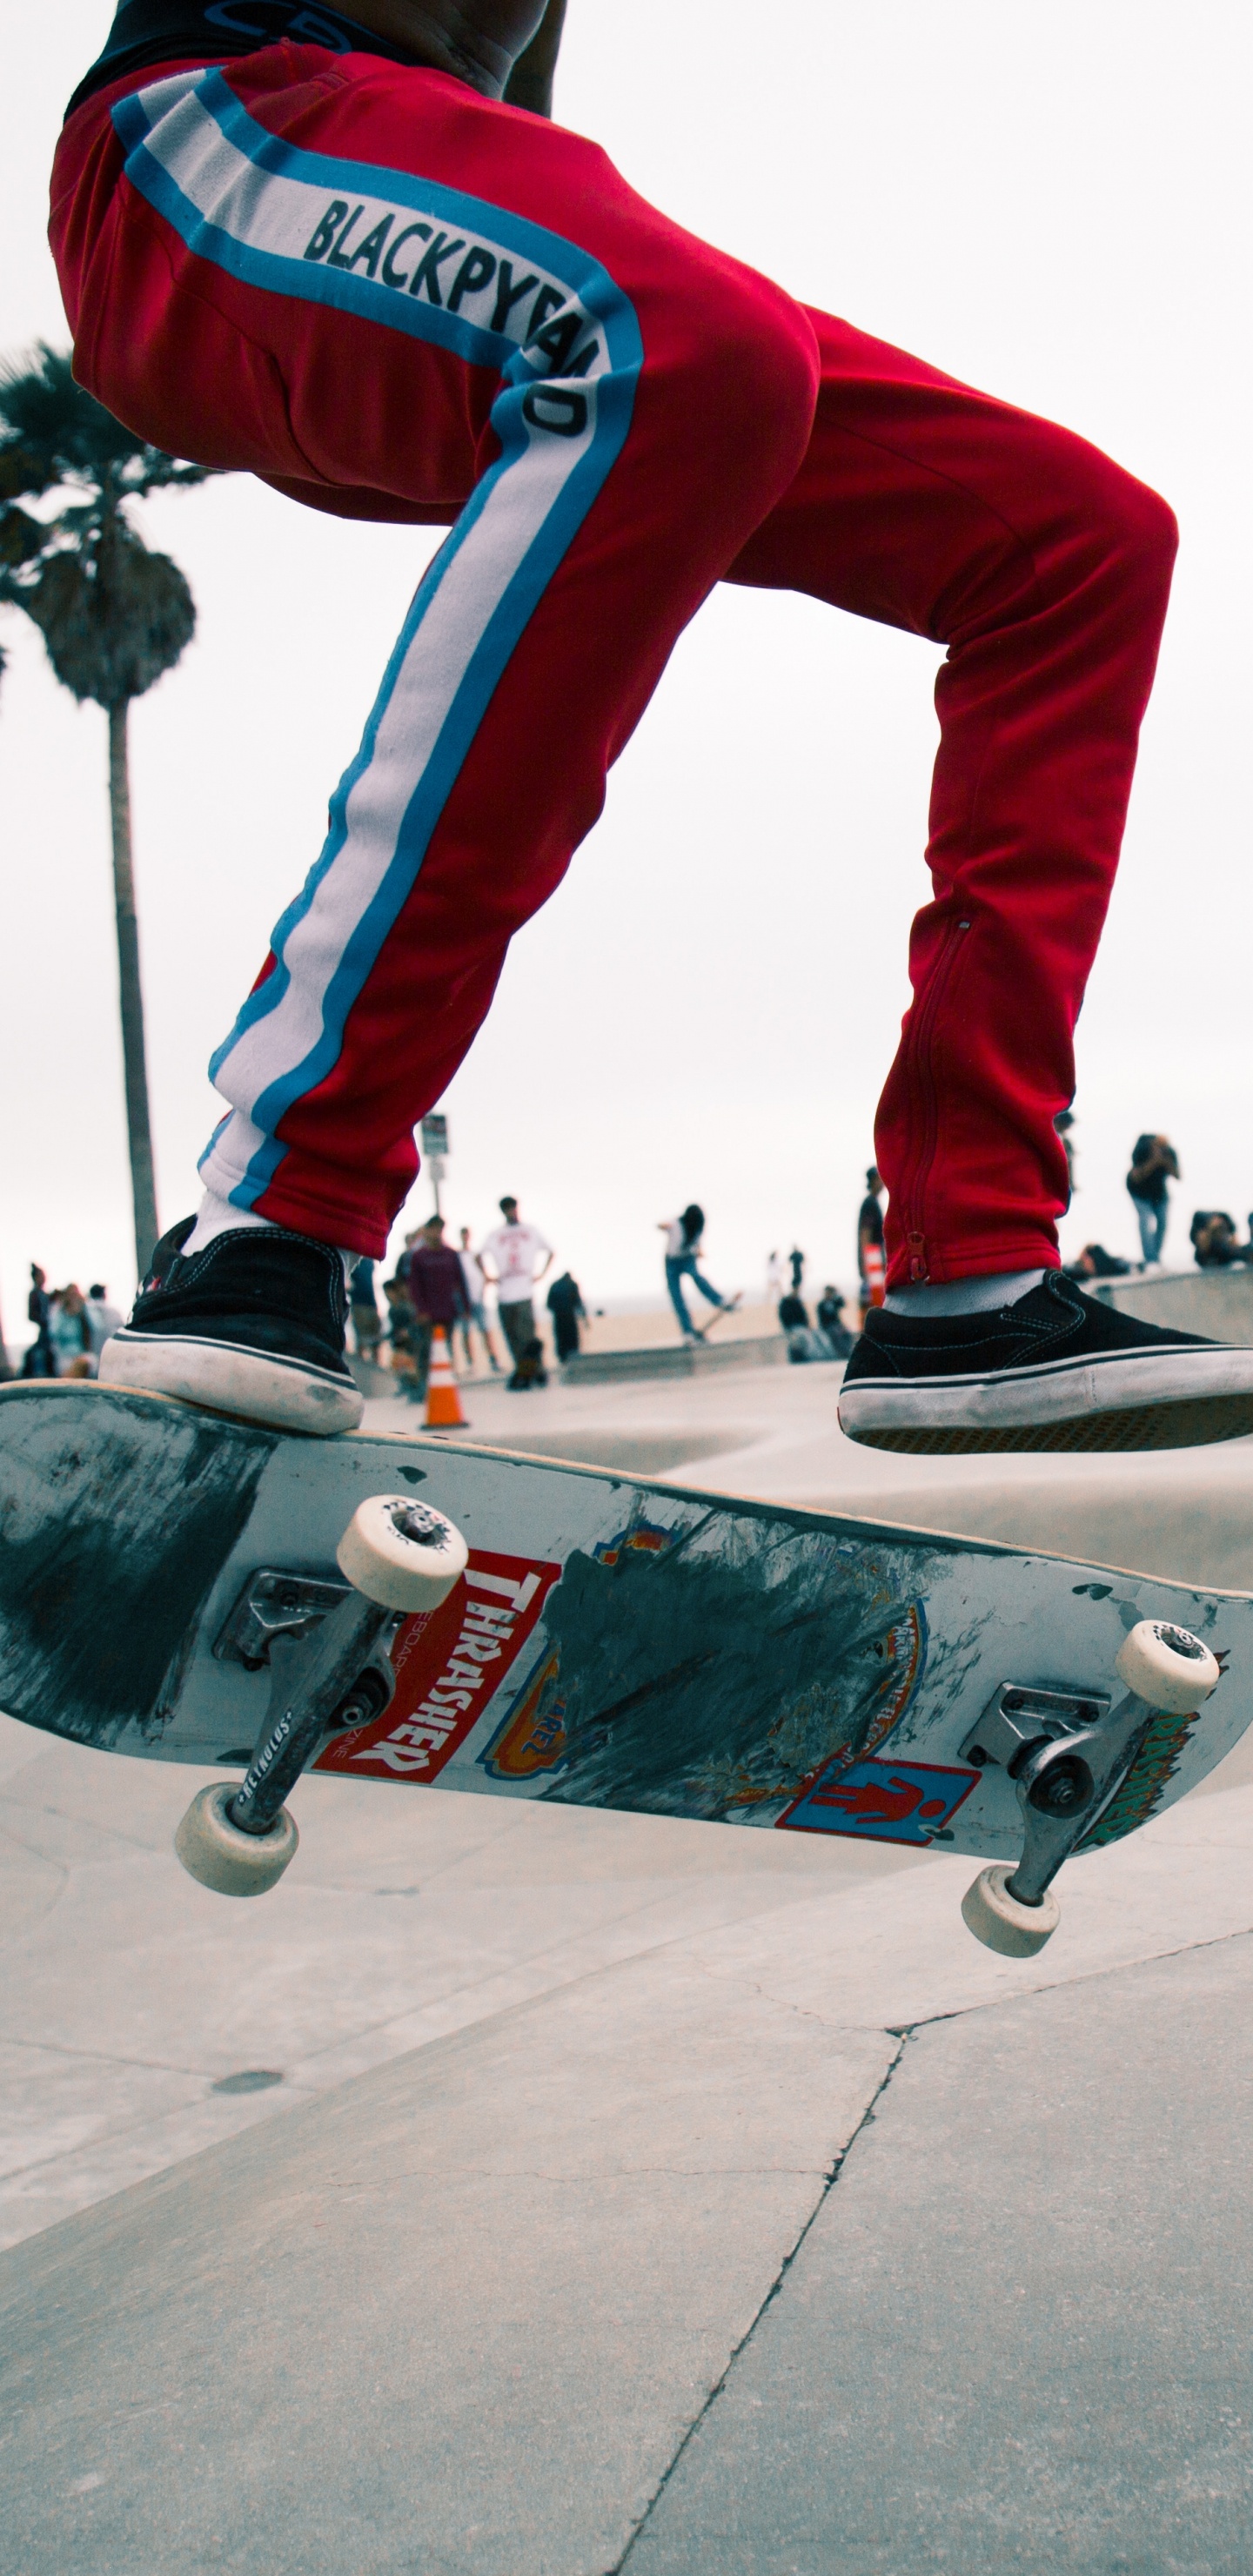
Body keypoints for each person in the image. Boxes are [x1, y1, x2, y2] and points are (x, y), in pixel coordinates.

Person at [59, 0, 1253, 1452]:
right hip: (197, 158)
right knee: (692, 337)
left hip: (410, 223)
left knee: (1076, 538)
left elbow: (514, 125)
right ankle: (274, 1208)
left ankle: (969, 1273)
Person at [480, 1197, 553, 1371]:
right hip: (504, 1293)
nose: (510, 1211)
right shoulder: (496, 1234)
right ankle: (522, 1369)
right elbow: (479, 1255)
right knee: (512, 1335)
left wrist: (541, 1274)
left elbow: (550, 1251)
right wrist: (488, 1276)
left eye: (512, 1208)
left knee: (527, 1335)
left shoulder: (530, 1230)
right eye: (507, 1209)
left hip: (524, 1292)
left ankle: (536, 1369)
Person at [405, 1214, 468, 1395]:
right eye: (434, 1228)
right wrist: (421, 1309)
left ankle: (445, 1383)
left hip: (448, 1310)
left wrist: (465, 1307)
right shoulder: (419, 1256)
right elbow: (414, 1286)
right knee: (427, 1349)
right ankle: (425, 1386)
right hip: (428, 1312)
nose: (437, 1232)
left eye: (440, 1229)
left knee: (445, 1348)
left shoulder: (450, 1254)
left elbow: (460, 1281)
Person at [660, 1207, 732, 1341]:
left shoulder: (697, 1229)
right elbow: (664, 1225)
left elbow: (697, 1245)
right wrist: (663, 1226)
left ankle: (719, 1300)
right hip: (672, 1262)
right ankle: (687, 1330)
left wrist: (699, 1252)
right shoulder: (676, 1224)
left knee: (697, 1277)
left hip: (688, 1258)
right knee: (676, 1296)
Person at [1127, 1134, 1180, 1269]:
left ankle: (1155, 1256)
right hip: (1139, 1191)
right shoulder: (1142, 1150)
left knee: (1163, 1222)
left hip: (1159, 1192)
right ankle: (1150, 1259)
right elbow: (1137, 1177)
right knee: (1145, 1219)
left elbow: (1178, 1175)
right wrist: (1153, 1162)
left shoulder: (1169, 1153)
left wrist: (1166, 1161)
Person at [458, 1226, 502, 1373]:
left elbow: (484, 1274)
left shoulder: (476, 1255)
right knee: (466, 1332)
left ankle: (493, 1360)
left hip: (478, 1298)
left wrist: (484, 1291)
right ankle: (471, 1363)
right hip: (464, 1300)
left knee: (485, 1330)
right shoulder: (458, 1256)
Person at [856, 1169, 887, 1323]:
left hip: (874, 1258)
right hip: (872, 1259)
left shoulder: (872, 1203)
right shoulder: (870, 1204)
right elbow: (865, 1235)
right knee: (874, 1302)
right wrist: (866, 1264)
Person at [48, 1285, 94, 1379]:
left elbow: (97, 1326)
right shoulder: (59, 1312)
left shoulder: (83, 1311)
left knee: (87, 1362)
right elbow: (53, 1332)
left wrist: (84, 1307)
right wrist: (65, 1312)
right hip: (64, 1356)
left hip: (82, 1353)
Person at [22, 1265, 56, 1378]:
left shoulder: (44, 1294)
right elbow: (32, 1315)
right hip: (45, 1330)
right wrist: (44, 1321)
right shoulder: (34, 1294)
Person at [546, 1268, 585, 1361]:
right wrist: (584, 1317)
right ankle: (572, 1356)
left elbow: (549, 1304)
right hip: (569, 1316)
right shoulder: (572, 1285)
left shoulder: (554, 1285)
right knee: (572, 1337)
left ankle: (562, 1357)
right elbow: (578, 1301)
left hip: (558, 1316)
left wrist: (557, 1310)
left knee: (560, 1337)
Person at [348, 1256, 382, 1360]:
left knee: (375, 1338)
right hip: (360, 1302)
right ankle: (361, 1363)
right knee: (362, 1339)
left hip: (370, 1302)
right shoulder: (354, 1257)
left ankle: (373, 1363)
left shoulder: (369, 1260)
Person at [86, 1284, 123, 1360]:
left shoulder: (85, 1311)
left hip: (91, 1357)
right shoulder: (114, 1312)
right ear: (104, 1295)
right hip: (112, 1353)